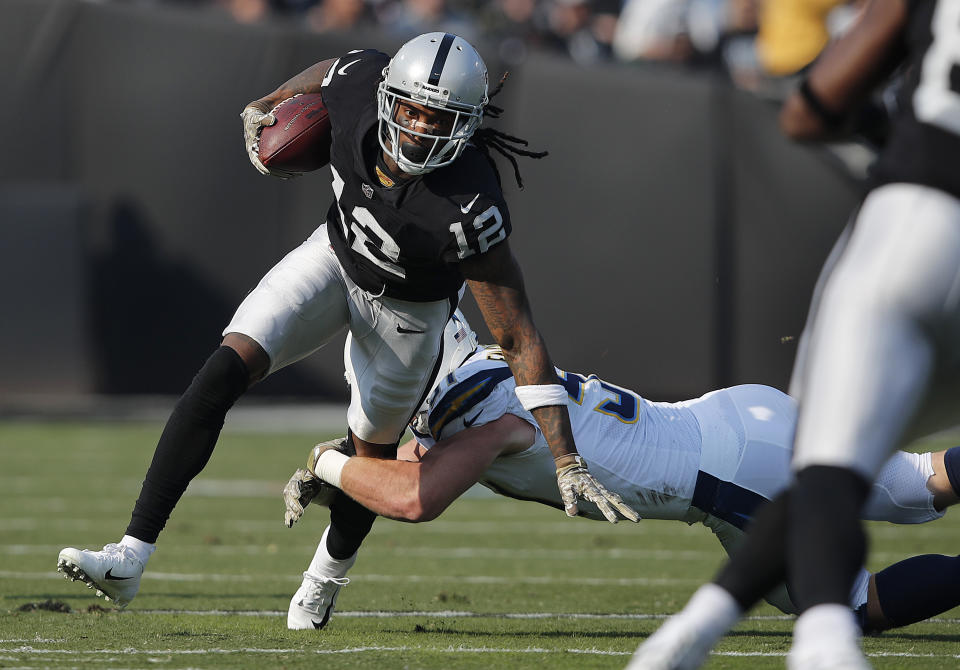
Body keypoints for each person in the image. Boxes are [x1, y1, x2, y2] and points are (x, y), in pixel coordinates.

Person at [57, 32, 636, 611]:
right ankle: (131, 556)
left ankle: (322, 582)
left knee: (369, 462)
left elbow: (515, 332)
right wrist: (267, 101)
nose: (419, 128)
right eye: (410, 109)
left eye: (439, 118)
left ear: (465, 124)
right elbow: (334, 67)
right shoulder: (361, 85)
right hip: (333, 259)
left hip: (409, 316)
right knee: (223, 370)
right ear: (388, 96)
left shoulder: (468, 205)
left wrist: (566, 457)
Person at [630, 1, 960, 668]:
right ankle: (701, 624)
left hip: (919, 217)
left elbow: (810, 106)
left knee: (832, 472)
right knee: (861, 475)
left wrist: (891, 131)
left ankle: (782, 640)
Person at [281, 311, 960, 632]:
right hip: (740, 416)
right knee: (920, 482)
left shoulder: (488, 418)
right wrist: (345, 469)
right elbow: (407, 465)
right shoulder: (489, 379)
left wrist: (328, 459)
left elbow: (414, 499)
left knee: (845, 606)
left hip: (733, 480)